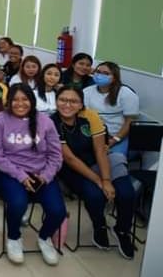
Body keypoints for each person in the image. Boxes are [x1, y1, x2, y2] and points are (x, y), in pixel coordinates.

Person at [51, 86, 136, 259]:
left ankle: (122, 230)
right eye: (62, 100)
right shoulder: (52, 122)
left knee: (127, 193)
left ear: (81, 104)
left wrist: (106, 178)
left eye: (73, 101)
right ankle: (100, 226)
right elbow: (70, 159)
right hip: (73, 168)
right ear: (56, 101)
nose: (67, 104)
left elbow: (100, 150)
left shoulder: (90, 116)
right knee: (95, 195)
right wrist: (100, 181)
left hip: (100, 161)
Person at [0, 84, 66, 266]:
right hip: (10, 172)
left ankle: (44, 238)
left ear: (32, 101)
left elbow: (56, 155)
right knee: (18, 203)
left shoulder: (45, 121)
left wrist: (45, 176)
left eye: (25, 99)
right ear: (9, 102)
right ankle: (14, 237)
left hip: (41, 174)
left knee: (57, 211)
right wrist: (21, 176)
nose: (20, 103)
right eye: (15, 99)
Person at [83, 62, 139, 156]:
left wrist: (114, 140)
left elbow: (129, 122)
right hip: (94, 136)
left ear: (114, 78)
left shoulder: (126, 94)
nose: (100, 75)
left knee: (115, 159)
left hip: (118, 137)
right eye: (98, 72)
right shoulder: (86, 92)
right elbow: (83, 118)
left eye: (106, 73)